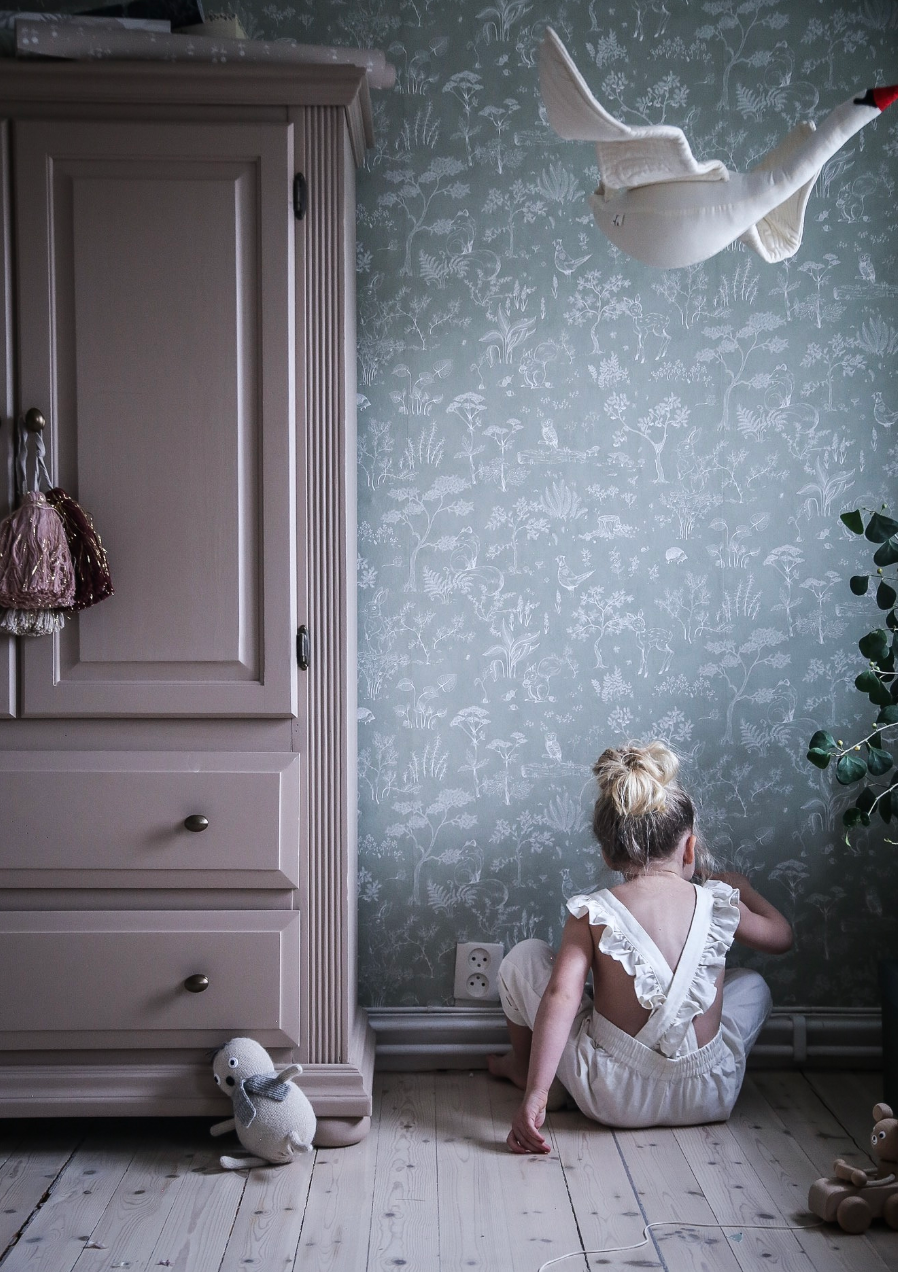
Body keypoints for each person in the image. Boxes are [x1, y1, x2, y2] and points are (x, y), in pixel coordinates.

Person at [488, 740, 793, 1155]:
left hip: (612, 1095)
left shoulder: (593, 912)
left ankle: (534, 1077)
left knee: (524, 957)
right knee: (752, 984)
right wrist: (745, 890)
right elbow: (781, 937)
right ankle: (555, 1078)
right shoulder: (721, 901)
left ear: (609, 855)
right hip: (709, 1094)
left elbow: (562, 996)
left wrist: (534, 1098)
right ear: (689, 847)